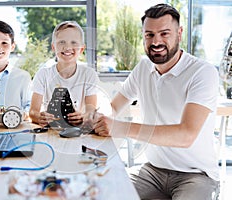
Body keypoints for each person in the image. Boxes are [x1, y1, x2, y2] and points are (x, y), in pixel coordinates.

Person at [93, 4, 220, 200]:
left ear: (179, 33)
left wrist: (121, 128)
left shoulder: (202, 72)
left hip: (197, 175)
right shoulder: (144, 67)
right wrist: (97, 116)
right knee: (99, 192)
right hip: (152, 172)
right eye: (149, 35)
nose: (156, 41)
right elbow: (113, 107)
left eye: (164, 33)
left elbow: (186, 135)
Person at [29, 21, 99, 127]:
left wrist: (83, 117)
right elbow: (33, 112)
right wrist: (39, 117)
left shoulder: (89, 74)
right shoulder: (43, 74)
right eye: (62, 42)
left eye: (74, 42)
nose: (67, 47)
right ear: (53, 47)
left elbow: (91, 112)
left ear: (81, 49)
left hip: (77, 131)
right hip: (51, 130)